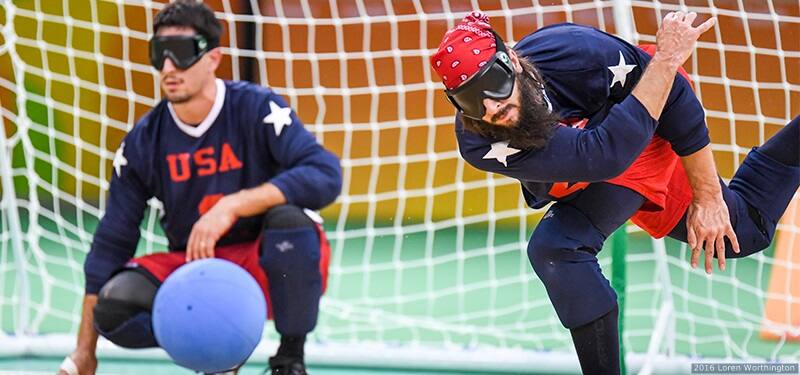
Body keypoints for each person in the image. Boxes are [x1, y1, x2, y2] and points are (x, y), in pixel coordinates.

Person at [431, 11, 800, 375]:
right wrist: (668, 58)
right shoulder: (480, 141)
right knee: (743, 231)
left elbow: (670, 93)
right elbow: (600, 157)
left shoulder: (574, 52)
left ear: (511, 59)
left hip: (652, 109)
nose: (490, 106)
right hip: (602, 158)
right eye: (469, 99)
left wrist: (708, 197)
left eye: (493, 82)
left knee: (560, 247)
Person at [58, 2, 342, 375]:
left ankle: (290, 359)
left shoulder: (257, 108)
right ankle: (215, 351)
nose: (169, 68)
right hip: (196, 270)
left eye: (182, 53)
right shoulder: (144, 140)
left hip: (262, 264)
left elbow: (325, 173)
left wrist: (234, 205)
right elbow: (112, 242)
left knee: (292, 222)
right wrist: (84, 352)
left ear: (213, 58)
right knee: (115, 307)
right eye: (160, 54)